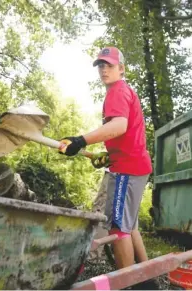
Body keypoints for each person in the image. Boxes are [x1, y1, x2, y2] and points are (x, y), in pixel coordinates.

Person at [59, 47, 159, 289]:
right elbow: (125, 134)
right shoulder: (125, 92)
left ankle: (127, 284)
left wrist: (81, 140)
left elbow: (120, 125)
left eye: (109, 65)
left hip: (127, 170)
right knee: (130, 224)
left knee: (119, 227)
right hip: (133, 163)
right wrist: (107, 155)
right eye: (100, 65)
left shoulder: (117, 91)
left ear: (121, 69)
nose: (104, 69)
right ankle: (146, 280)